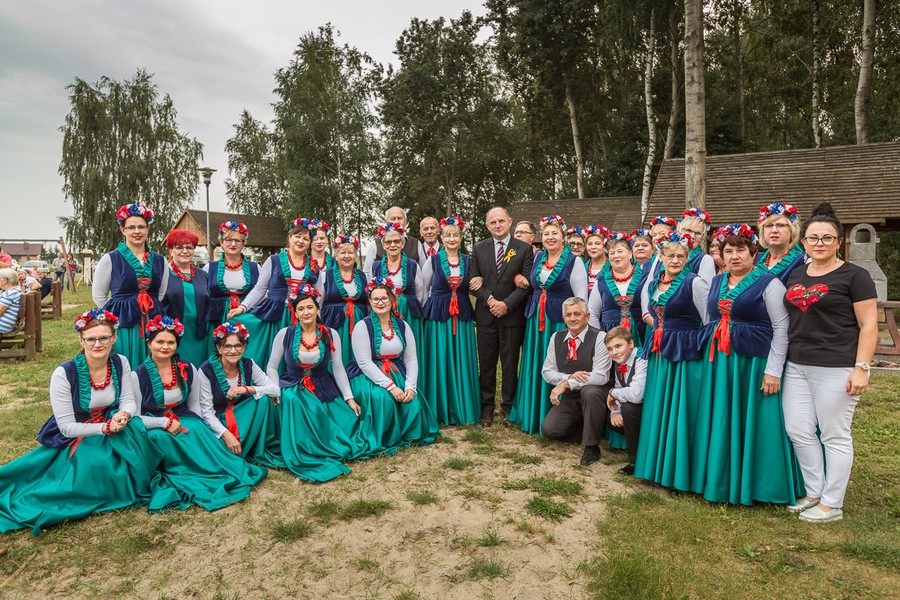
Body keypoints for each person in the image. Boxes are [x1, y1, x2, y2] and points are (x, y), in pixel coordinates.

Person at [0, 309, 162, 534]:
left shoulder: (120, 362)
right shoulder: (63, 374)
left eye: (104, 337)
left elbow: (127, 400)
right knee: (94, 466)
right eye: (91, 339)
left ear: (114, 338)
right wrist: (105, 428)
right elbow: (66, 427)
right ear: (80, 339)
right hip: (79, 433)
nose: (98, 344)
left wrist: (123, 415)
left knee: (134, 437)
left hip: (114, 423)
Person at [781, 203, 877, 522]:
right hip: (796, 365)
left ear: (839, 242)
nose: (819, 243)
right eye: (813, 238)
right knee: (798, 429)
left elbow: (869, 325)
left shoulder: (855, 276)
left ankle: (832, 503)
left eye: (827, 237)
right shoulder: (796, 273)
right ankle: (813, 491)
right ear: (804, 242)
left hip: (837, 366)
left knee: (834, 434)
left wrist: (862, 368)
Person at [692, 223, 801, 506]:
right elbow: (708, 319)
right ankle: (719, 480)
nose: (734, 256)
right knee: (722, 418)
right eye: (729, 251)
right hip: (721, 364)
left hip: (752, 364)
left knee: (752, 420)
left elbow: (781, 327)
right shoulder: (716, 281)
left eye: (741, 249)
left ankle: (757, 485)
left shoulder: (769, 283)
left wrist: (773, 371)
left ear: (754, 251)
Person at [132, 316, 267, 511]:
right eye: (159, 342)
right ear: (149, 343)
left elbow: (196, 406)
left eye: (171, 342)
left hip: (184, 416)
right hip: (154, 424)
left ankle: (214, 469)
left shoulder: (186, 369)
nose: (165, 346)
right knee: (161, 437)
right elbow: (136, 417)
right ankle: (185, 472)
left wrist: (204, 429)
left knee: (196, 429)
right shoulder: (137, 375)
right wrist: (163, 423)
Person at [266, 287, 371, 482]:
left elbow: (338, 368)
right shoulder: (285, 334)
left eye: (310, 307)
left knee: (349, 423)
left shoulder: (330, 334)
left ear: (317, 309)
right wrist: (275, 390)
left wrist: (348, 398)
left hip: (323, 386)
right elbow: (272, 367)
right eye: (301, 309)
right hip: (292, 384)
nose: (306, 312)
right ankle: (303, 447)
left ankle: (323, 444)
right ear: (295, 312)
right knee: (293, 400)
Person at [633, 232, 709, 491]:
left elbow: (708, 320)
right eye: (670, 255)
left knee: (680, 410)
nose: (675, 260)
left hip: (685, 352)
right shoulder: (654, 282)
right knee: (659, 407)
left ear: (688, 259)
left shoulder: (694, 283)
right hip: (659, 349)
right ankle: (657, 467)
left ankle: (679, 475)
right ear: (661, 257)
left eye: (681, 256)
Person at [508, 214, 589, 435]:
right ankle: (530, 412)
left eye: (555, 233)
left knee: (558, 363)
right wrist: (517, 278)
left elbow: (581, 298)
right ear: (541, 238)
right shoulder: (538, 257)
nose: (550, 238)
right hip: (536, 320)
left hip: (559, 322)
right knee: (534, 362)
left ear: (563, 237)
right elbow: (525, 278)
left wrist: (577, 325)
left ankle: (554, 415)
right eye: (546, 234)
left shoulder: (575, 261)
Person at [347, 278, 440, 452]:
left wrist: (410, 386)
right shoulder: (362, 326)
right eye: (376, 299)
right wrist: (391, 386)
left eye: (384, 298)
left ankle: (408, 434)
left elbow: (411, 359)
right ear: (370, 301)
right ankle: (386, 436)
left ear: (392, 300)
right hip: (367, 375)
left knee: (411, 402)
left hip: (396, 371)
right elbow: (364, 363)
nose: (380, 302)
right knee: (382, 399)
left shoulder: (402, 325)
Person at [468, 207, 534, 427]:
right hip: (486, 316)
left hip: (512, 316)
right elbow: (474, 281)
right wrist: (490, 300)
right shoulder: (478, 249)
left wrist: (506, 305)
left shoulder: (524, 249)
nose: (497, 225)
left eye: (501, 221)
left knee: (509, 363)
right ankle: (486, 408)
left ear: (510, 222)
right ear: (487, 225)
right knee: (486, 365)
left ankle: (509, 407)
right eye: (493, 222)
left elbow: (526, 283)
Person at [235, 218, 320, 368]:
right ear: (289, 238)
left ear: (310, 243)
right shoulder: (273, 260)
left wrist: (317, 317)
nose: (301, 241)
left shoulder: (313, 266)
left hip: (301, 316)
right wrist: (243, 307)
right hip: (275, 314)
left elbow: (319, 295)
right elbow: (260, 288)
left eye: (306, 238)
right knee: (273, 355)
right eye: (297, 236)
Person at [197, 322, 283, 469]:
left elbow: (275, 390)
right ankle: (231, 448)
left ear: (244, 347)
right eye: (227, 346)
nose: (233, 350)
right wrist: (226, 434)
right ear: (219, 348)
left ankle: (256, 447)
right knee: (220, 455)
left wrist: (246, 389)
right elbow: (206, 411)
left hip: (244, 416)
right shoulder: (206, 370)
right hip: (220, 419)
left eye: (238, 346)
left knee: (264, 400)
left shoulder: (248, 364)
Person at [92, 203, 168, 366]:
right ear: (123, 230)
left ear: (147, 228)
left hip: (153, 319)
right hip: (124, 322)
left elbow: (160, 294)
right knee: (125, 363)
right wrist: (116, 316)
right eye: (131, 227)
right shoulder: (110, 259)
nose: (137, 232)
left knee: (155, 364)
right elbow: (99, 295)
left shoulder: (161, 260)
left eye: (141, 227)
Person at [539, 297, 612, 466]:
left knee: (590, 391)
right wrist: (569, 378)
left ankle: (592, 447)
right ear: (563, 318)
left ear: (587, 317)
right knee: (549, 430)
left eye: (577, 314)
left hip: (597, 395)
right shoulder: (557, 337)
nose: (573, 318)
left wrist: (566, 384)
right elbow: (547, 371)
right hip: (572, 397)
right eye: (568, 315)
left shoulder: (600, 337)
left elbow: (601, 376)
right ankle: (589, 430)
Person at [421, 216, 479, 425]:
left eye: (455, 235)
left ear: (461, 238)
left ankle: (463, 406)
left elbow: (474, 282)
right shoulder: (434, 260)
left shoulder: (468, 261)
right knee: (441, 359)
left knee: (462, 358)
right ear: (441, 238)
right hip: (438, 316)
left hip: (461, 314)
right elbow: (424, 288)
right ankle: (440, 408)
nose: (451, 239)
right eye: (447, 235)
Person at [369, 221, 429, 373]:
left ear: (403, 244)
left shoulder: (412, 265)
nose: (393, 245)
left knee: (410, 349)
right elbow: (371, 291)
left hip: (408, 311)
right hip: (384, 311)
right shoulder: (375, 267)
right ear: (383, 245)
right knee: (387, 346)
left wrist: (407, 305)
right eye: (388, 242)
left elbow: (420, 292)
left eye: (397, 241)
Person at [205, 221, 265, 364]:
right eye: (228, 239)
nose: (233, 244)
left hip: (244, 317)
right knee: (218, 353)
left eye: (237, 240)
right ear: (221, 242)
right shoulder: (210, 267)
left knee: (241, 352)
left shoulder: (255, 267)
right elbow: (203, 294)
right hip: (218, 317)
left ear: (243, 243)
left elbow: (263, 294)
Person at [161, 229, 210, 366]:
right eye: (179, 247)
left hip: (198, 334)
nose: (185, 251)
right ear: (171, 251)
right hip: (172, 333)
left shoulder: (203, 275)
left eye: (189, 247)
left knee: (198, 369)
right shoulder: (162, 274)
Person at [318, 233, 369, 364]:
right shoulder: (325, 276)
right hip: (333, 323)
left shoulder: (363, 277)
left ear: (355, 255)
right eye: (343, 253)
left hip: (358, 323)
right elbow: (319, 303)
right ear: (336, 255)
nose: (347, 256)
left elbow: (369, 303)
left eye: (350, 252)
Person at [605, 326, 647, 476]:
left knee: (629, 407)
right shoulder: (619, 363)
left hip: (649, 410)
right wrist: (615, 412)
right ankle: (641, 446)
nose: (614, 352)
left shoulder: (641, 358)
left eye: (618, 346)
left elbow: (637, 395)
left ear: (630, 344)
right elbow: (618, 387)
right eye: (610, 349)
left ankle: (635, 461)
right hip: (634, 409)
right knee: (608, 413)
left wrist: (613, 393)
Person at [588, 232, 643, 343]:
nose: (616, 256)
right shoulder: (601, 281)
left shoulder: (643, 277)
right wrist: (600, 339)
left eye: (620, 251)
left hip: (640, 333)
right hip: (609, 336)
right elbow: (592, 312)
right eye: (612, 253)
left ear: (630, 254)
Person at [363, 206, 425, 273]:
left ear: (405, 221)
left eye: (399, 218)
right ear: (386, 222)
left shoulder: (416, 243)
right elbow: (367, 273)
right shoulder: (375, 244)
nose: (396, 221)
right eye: (393, 218)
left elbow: (423, 272)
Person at [757, 202, 805, 284]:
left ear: (792, 230)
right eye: (769, 226)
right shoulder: (756, 260)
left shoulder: (802, 261)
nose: (774, 230)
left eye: (780, 225)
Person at [677, 208, 716, 283]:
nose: (692, 236)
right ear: (679, 230)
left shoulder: (705, 260)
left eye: (697, 233)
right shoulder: (666, 253)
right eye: (688, 230)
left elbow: (705, 292)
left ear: (703, 236)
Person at [583, 225, 608, 298]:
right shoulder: (583, 267)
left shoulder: (613, 266)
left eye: (597, 243)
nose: (593, 247)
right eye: (590, 244)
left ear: (605, 246)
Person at [0, 268, 22, 334]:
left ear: (5, 280)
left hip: (3, 326)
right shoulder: (15, 291)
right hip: (7, 324)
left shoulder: (9, 294)